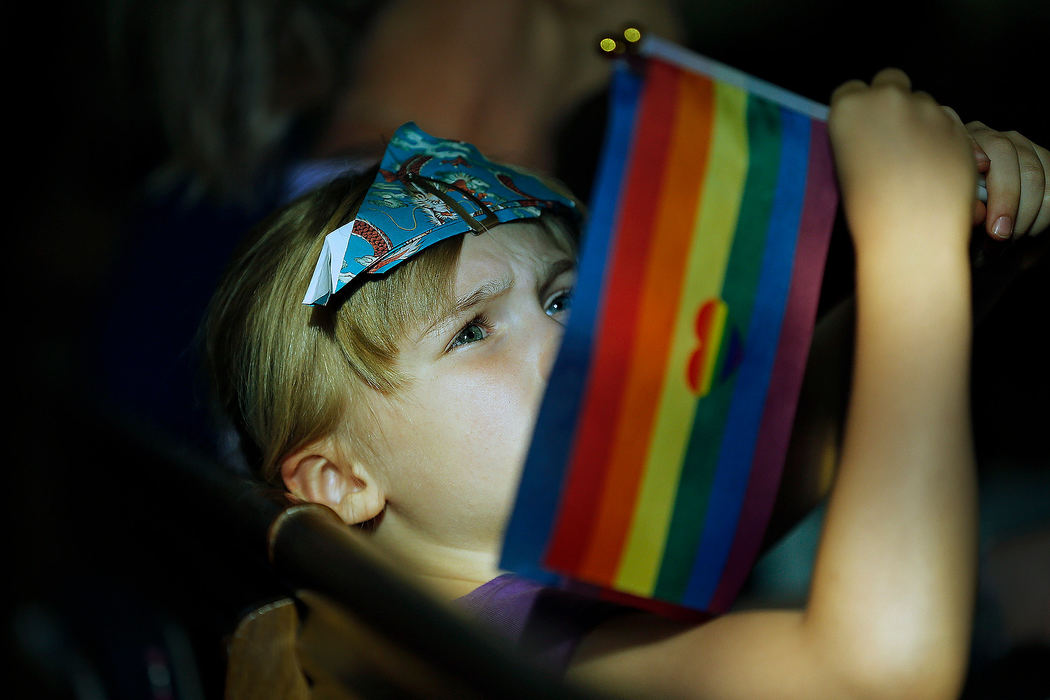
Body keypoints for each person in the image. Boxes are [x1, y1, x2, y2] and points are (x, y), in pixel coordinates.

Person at [202, 69, 1048, 699]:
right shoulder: (502, 653)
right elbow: (879, 669)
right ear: (341, 480)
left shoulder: (493, 589)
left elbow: (780, 455)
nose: (574, 342)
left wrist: (965, 256)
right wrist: (911, 248)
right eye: (471, 330)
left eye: (564, 296)